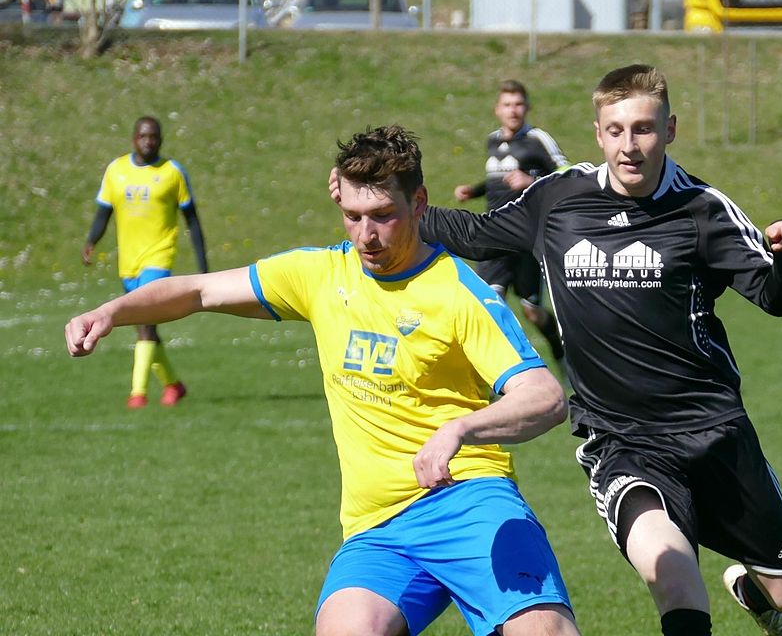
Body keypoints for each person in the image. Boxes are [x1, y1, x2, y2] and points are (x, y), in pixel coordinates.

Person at [346, 65, 782, 636]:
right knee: (669, 568)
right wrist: (387, 204)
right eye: (616, 130)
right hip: (621, 437)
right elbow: (475, 233)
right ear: (598, 133)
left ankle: (757, 593)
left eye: (643, 129)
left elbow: (777, 299)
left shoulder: (702, 210)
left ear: (669, 129)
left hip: (714, 429)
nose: (630, 146)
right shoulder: (559, 198)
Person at [67, 125, 581, 636]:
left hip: (471, 501)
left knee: (542, 631)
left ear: (419, 203)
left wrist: (458, 431)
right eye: (353, 217)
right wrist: (113, 311)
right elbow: (199, 291)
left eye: (383, 216)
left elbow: (544, 396)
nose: (366, 235)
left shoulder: (459, 293)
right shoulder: (321, 275)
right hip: (379, 527)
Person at [82, 115, 208, 409]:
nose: (148, 141)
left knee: (147, 324)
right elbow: (104, 212)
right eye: (143, 136)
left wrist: (204, 265)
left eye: (153, 137)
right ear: (133, 139)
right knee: (144, 327)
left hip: (158, 259)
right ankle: (173, 385)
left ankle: (137, 394)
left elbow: (193, 220)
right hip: (129, 262)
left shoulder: (172, 173)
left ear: (160, 140)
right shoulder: (116, 171)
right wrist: (91, 241)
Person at [453, 79, 567, 362]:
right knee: (490, 304)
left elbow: (567, 175)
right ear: (497, 110)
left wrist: (531, 180)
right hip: (493, 234)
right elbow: (499, 180)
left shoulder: (538, 139)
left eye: (518, 104)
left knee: (532, 312)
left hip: (525, 237)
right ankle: (501, 376)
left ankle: (560, 354)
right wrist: (474, 190)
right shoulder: (493, 140)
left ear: (527, 107)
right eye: (507, 105)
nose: (513, 110)